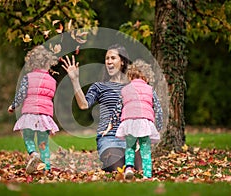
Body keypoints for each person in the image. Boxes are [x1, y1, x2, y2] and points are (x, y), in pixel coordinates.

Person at [61, 44, 142, 172]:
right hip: (109, 139)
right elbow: (83, 105)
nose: (109, 61)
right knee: (118, 169)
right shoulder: (99, 87)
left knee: (141, 170)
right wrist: (75, 80)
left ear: (122, 62)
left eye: (113, 58)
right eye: (107, 58)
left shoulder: (133, 86)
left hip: (130, 140)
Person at [102, 59, 163, 180]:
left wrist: (111, 125)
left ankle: (129, 168)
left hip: (129, 122)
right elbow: (158, 109)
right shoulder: (150, 90)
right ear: (146, 77)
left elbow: (118, 109)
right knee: (145, 149)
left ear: (130, 76)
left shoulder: (125, 90)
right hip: (144, 122)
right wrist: (159, 125)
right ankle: (147, 174)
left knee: (130, 146)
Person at [8, 45, 59, 174]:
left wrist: (13, 106)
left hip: (30, 114)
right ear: (48, 63)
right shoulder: (52, 81)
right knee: (44, 143)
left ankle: (33, 153)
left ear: (31, 63)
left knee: (28, 137)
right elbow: (50, 96)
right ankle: (46, 167)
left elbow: (21, 94)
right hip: (44, 115)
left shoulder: (28, 78)